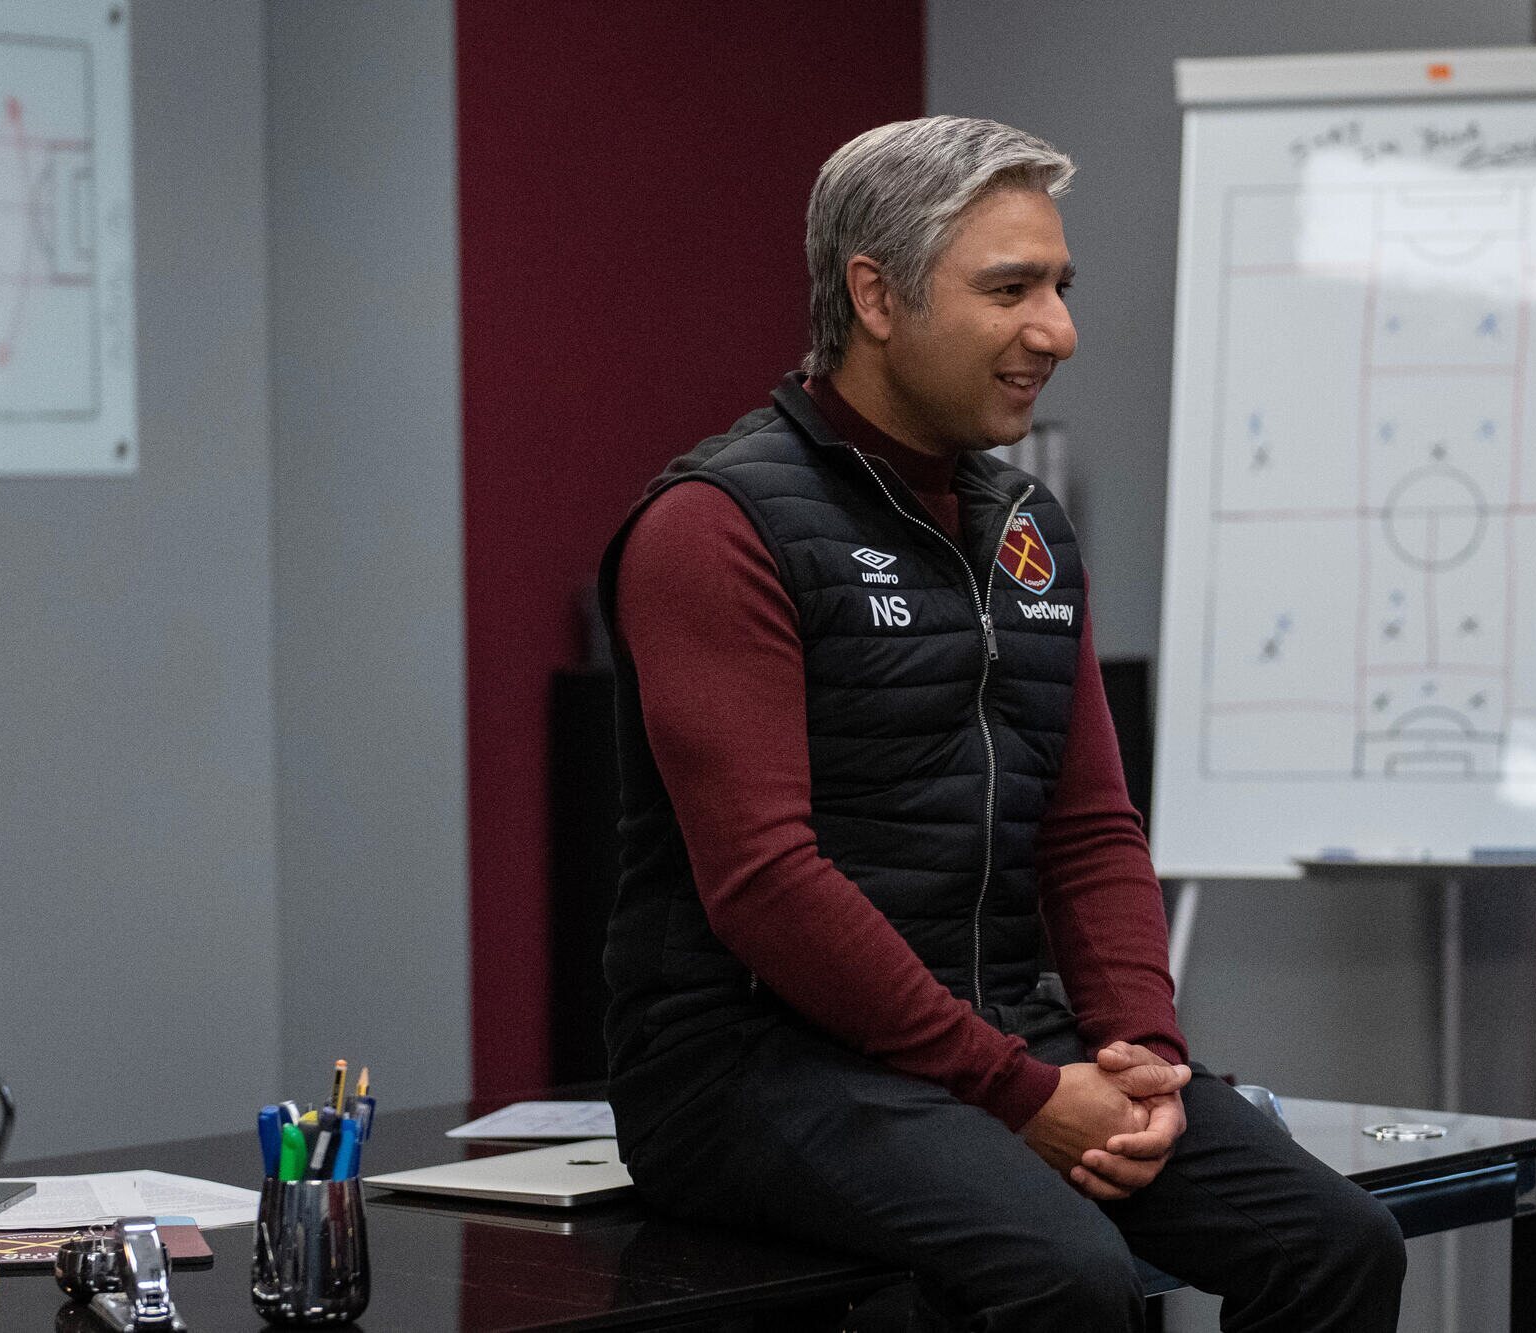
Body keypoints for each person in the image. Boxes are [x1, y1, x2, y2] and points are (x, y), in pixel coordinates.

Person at [597, 115, 1406, 1331]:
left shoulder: (1026, 524)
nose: (1057, 331)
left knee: (1336, 1244)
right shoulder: (713, 526)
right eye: (1010, 289)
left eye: (1059, 288)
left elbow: (1086, 827)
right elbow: (766, 881)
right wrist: (1018, 1090)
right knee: (1061, 1274)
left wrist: (1140, 1052)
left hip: (999, 1038)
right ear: (876, 295)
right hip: (753, 1066)